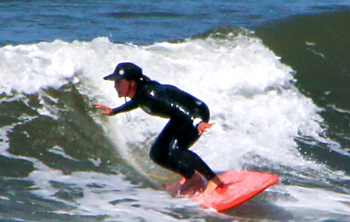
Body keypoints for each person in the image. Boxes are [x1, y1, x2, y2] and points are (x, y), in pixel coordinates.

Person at [95, 62, 222, 194]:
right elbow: (137, 102)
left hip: (195, 113)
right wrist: (114, 111)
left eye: (118, 82)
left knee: (177, 150)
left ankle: (214, 180)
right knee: (158, 154)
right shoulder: (140, 94)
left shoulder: (152, 94)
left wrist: (198, 122)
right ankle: (192, 177)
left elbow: (177, 106)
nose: (115, 86)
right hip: (180, 117)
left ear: (131, 83)